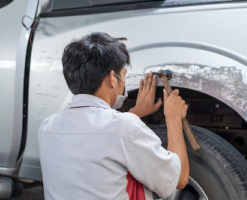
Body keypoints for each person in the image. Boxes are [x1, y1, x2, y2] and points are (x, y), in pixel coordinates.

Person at [38, 32, 189, 200]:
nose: (123, 83)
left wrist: (135, 114)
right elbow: (180, 179)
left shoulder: (47, 127)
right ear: (112, 78)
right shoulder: (125, 128)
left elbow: (101, 140)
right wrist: (173, 118)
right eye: (123, 75)